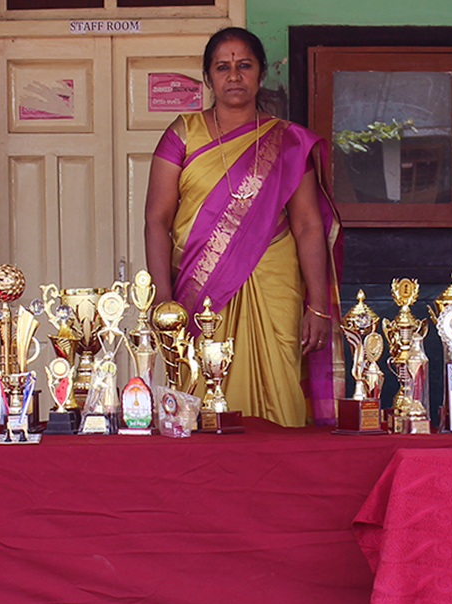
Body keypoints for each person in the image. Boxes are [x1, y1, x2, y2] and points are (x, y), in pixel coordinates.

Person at [142, 27, 342, 427]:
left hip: (275, 282)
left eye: (244, 65)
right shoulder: (182, 133)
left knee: (279, 386)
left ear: (261, 73)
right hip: (201, 291)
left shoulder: (286, 141)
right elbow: (156, 219)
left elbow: (306, 225)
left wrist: (317, 304)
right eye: (223, 67)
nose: (234, 76)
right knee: (200, 391)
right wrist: (164, 301)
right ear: (208, 77)